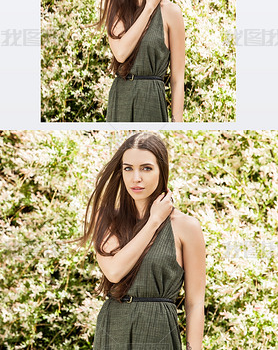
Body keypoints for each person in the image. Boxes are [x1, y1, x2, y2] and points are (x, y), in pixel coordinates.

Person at [79, 132, 206, 349]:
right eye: (128, 168)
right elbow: (114, 271)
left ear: (161, 171)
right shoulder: (107, 219)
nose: (135, 178)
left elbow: (195, 302)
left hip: (158, 331)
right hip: (113, 329)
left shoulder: (186, 227)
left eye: (146, 168)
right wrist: (154, 221)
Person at [95, 0, 185, 122]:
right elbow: (121, 53)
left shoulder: (171, 13)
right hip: (121, 98)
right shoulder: (116, 7)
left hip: (152, 100)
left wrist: (178, 124)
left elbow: (178, 79)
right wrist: (149, 7)